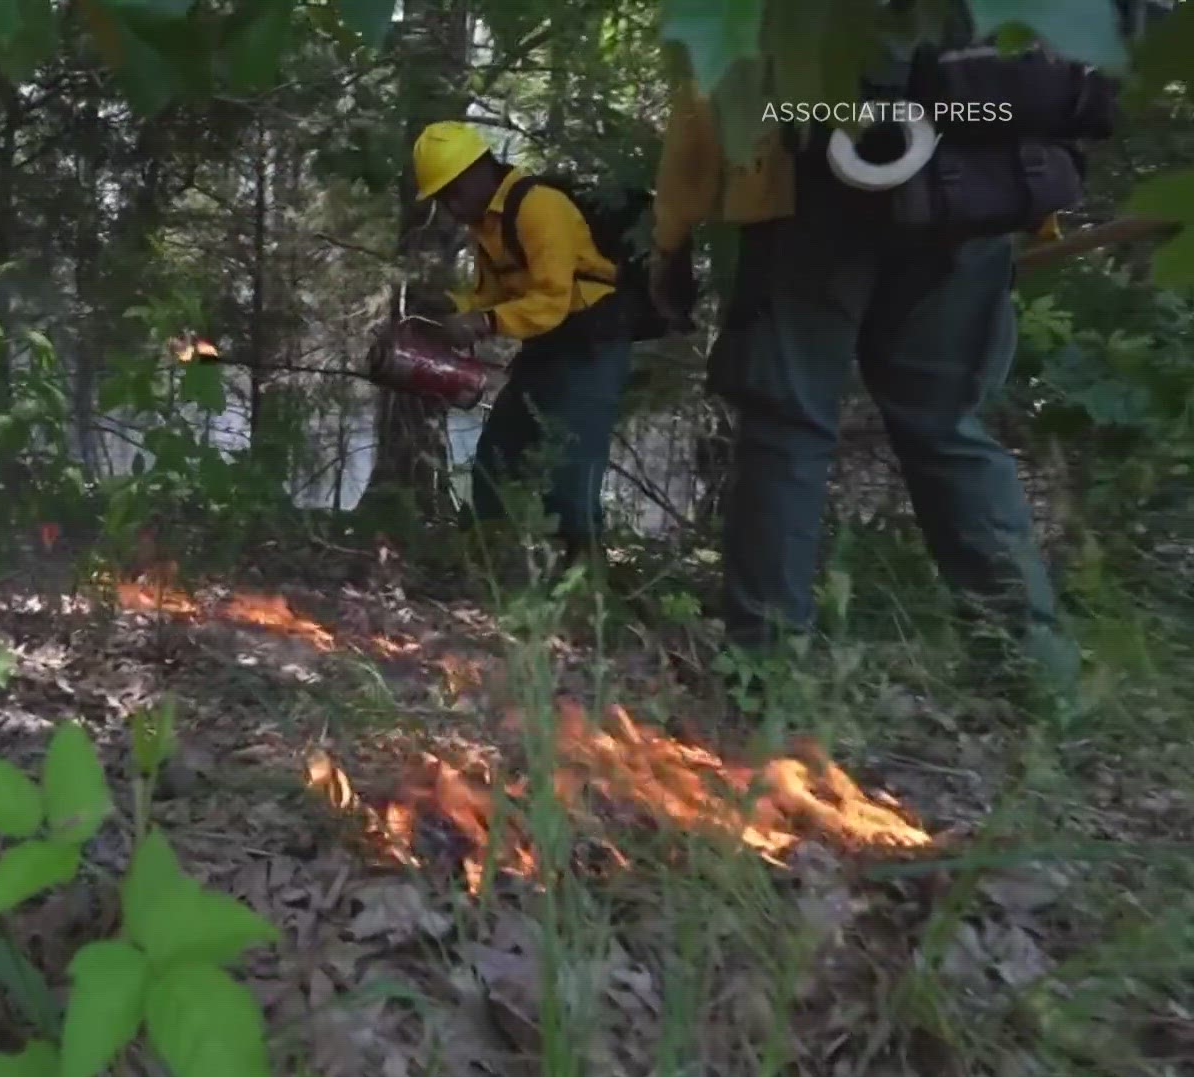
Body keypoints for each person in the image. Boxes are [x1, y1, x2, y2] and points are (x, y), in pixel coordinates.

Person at [647, 38, 1093, 715]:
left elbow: (712, 84)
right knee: (949, 427)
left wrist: (671, 235)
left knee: (787, 426)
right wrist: (1026, 207)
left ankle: (761, 677)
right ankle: (1037, 675)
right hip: (969, 199)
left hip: (813, 191)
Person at [408, 120, 634, 572]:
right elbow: (495, 294)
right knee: (498, 453)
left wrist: (482, 322)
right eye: (442, 200)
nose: (451, 208)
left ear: (479, 171)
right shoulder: (486, 224)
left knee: (570, 471)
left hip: (592, 341)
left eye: (453, 193)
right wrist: (452, 307)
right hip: (547, 343)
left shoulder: (539, 208)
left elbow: (550, 299)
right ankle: (487, 561)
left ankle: (584, 583)